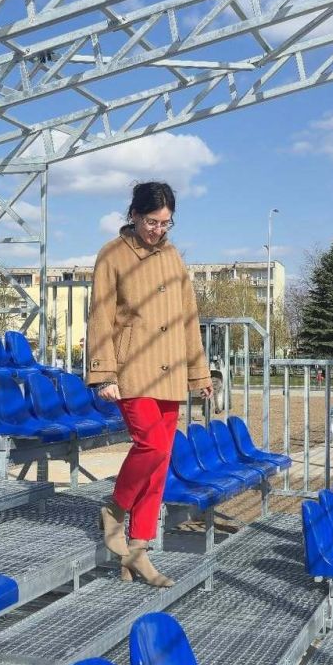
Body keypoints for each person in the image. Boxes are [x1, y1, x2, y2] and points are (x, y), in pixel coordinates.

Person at [85, 181, 212, 587]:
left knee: (161, 459)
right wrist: (103, 374)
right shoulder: (112, 255)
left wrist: (199, 372)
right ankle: (114, 508)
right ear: (134, 215)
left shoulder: (173, 257)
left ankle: (137, 551)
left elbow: (189, 318)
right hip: (132, 369)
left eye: (165, 223)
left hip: (171, 370)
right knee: (151, 446)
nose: (158, 230)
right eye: (152, 222)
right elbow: (100, 317)